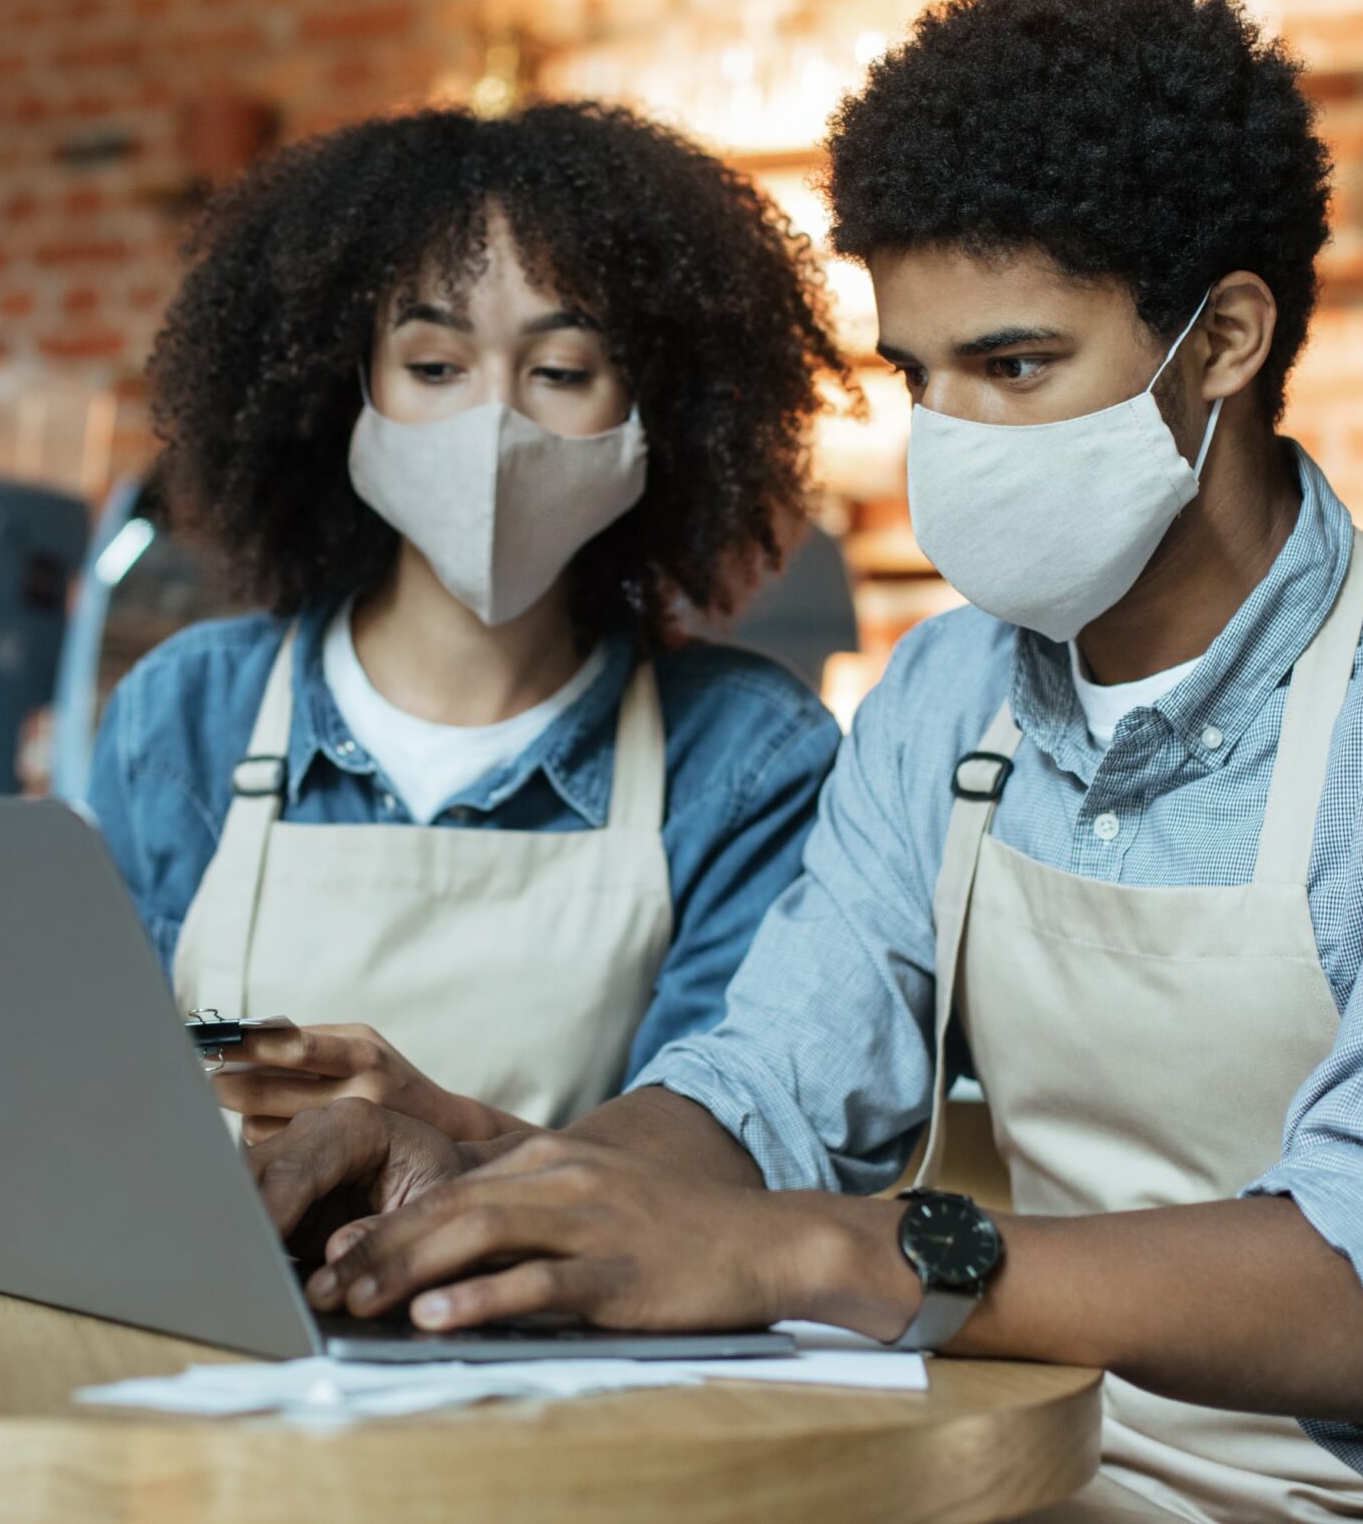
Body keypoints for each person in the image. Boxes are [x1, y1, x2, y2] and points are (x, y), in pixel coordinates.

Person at [247, 0, 1363, 1523]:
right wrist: (532, 1199)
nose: (953, 440)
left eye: (1015, 367)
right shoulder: (945, 699)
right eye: (916, 378)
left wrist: (834, 1246)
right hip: (1066, 1483)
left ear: (1225, 344)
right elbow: (771, 1081)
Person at [87, 100, 848, 1142]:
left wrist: (433, 1133)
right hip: (212, 1304)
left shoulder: (747, 759)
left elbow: (721, 1163)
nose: (493, 423)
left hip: (545, 1312)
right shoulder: (185, 716)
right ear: (341, 390)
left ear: (657, 412)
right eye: (435, 368)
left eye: (561, 373)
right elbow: (108, 1096)